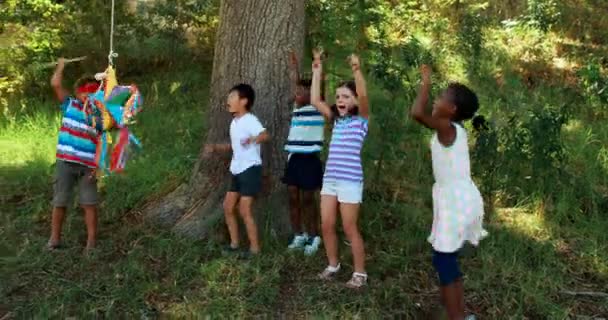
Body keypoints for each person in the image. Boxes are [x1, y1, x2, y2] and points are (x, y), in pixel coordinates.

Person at [410, 65, 487, 320]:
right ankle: (459, 315)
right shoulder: (453, 130)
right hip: (457, 199)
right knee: (447, 261)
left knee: (444, 262)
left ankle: (457, 317)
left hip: (456, 202)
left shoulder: (446, 128)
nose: (436, 99)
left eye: (441, 97)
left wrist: (425, 81)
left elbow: (416, 113)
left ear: (452, 110)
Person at [310, 49, 370, 289]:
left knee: (349, 227)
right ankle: (333, 264)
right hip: (331, 180)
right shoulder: (336, 119)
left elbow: (364, 95)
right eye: (338, 96)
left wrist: (356, 70)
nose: (340, 100)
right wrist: (317, 69)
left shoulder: (361, 121)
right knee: (326, 224)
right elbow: (316, 101)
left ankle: (360, 273)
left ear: (355, 100)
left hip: (350, 181)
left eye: (346, 96)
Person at [205, 83, 269, 258]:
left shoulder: (250, 119)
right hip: (237, 169)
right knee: (228, 207)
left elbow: (265, 135)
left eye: (232, 97)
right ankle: (234, 245)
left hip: (250, 169)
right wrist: (216, 148)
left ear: (244, 101)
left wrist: (253, 139)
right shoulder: (234, 122)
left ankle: (255, 250)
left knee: (244, 209)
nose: (228, 100)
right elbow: (234, 147)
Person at [48, 58, 101, 252]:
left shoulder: (99, 114)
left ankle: (91, 243)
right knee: (60, 201)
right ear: (78, 92)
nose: (88, 96)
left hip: (89, 166)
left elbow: (105, 138)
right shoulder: (70, 104)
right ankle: (54, 239)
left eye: (93, 92)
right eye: (85, 92)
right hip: (65, 163)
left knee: (89, 203)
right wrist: (61, 66)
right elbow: (55, 83)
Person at [283, 51, 325, 255]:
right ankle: (298, 234)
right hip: (294, 158)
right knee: (292, 196)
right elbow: (294, 82)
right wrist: (294, 66)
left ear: (312, 94)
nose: (297, 93)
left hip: (311, 159)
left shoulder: (318, 107)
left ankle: (314, 236)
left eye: (301, 91)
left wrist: (318, 63)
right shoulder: (296, 107)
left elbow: (320, 86)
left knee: (308, 199)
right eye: (297, 91)